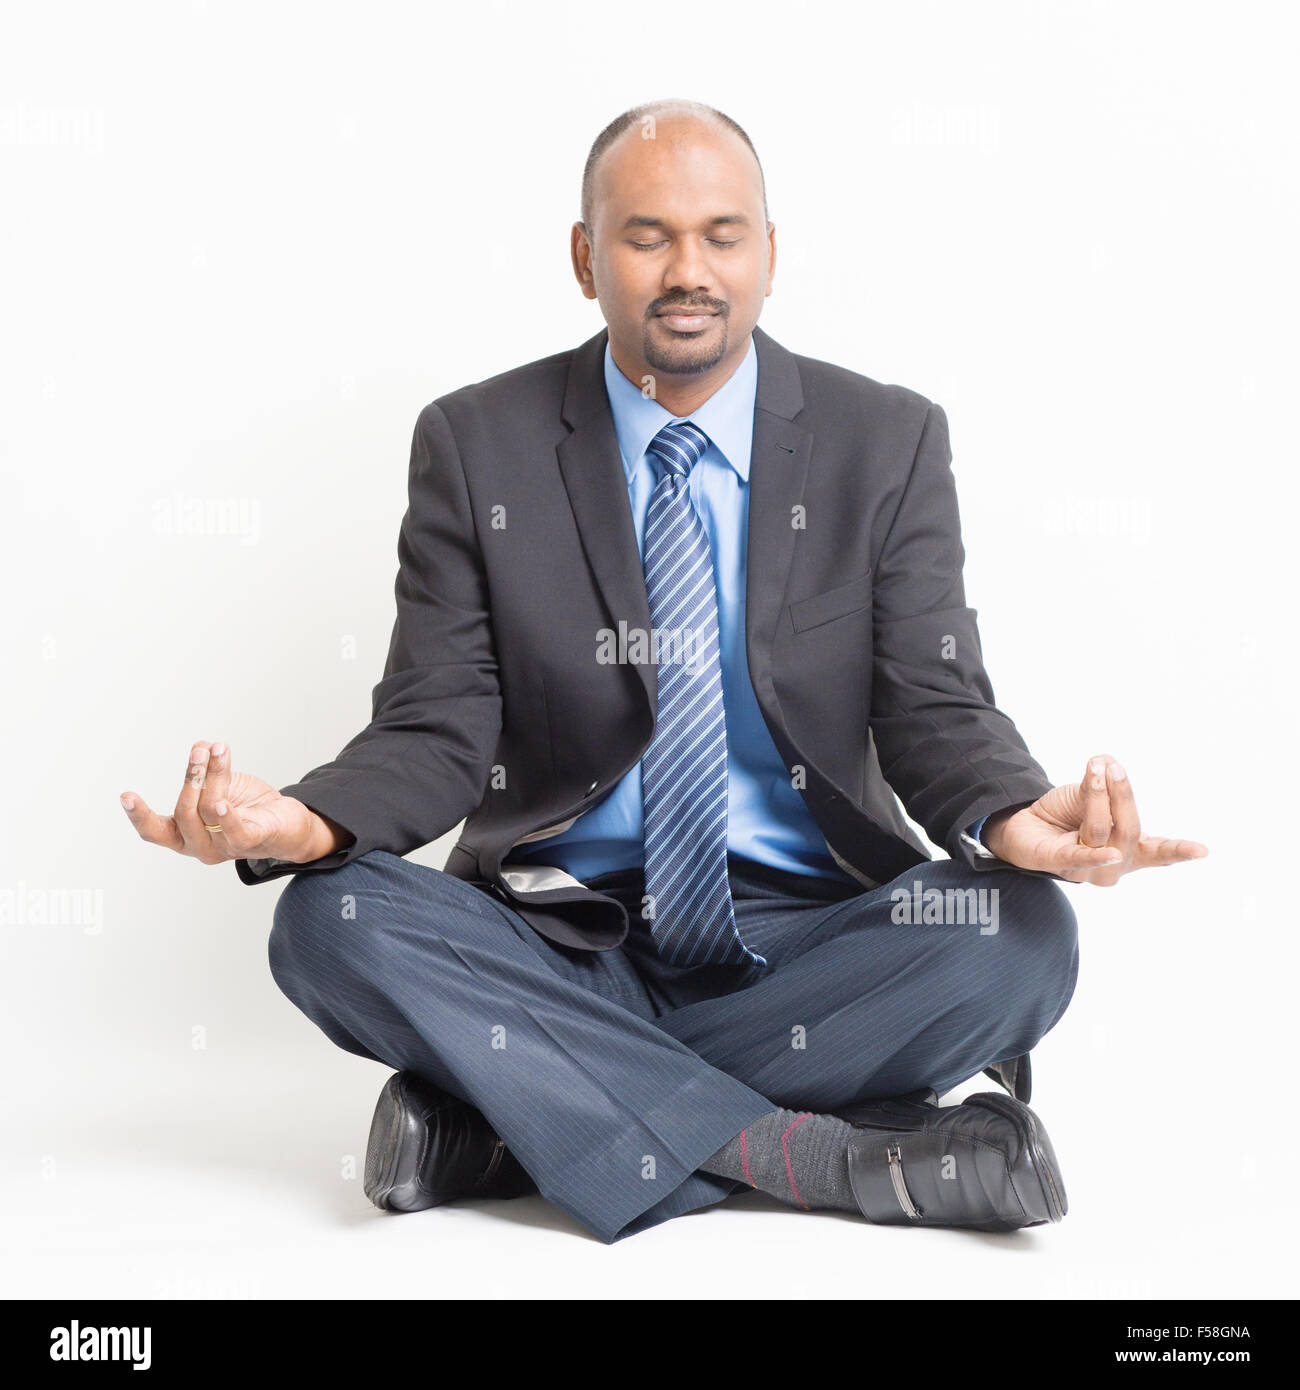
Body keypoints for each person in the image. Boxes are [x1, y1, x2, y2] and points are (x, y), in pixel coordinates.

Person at [121, 99, 1207, 1244]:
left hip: (811, 940)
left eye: (721, 234)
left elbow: (932, 702)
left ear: (771, 256)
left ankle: (511, 1121)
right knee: (329, 919)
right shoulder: (477, 441)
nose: (688, 269)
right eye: (646, 236)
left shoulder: (883, 441)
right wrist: (305, 820)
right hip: (565, 941)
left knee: (1022, 938)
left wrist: (1007, 812)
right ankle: (811, 1154)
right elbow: (437, 729)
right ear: (585, 256)